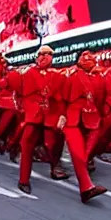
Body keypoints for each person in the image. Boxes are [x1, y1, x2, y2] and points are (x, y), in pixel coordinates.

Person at [18, 45, 69, 194]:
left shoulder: (59, 76)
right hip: (33, 115)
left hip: (51, 114)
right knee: (26, 143)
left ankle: (55, 166)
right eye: (41, 54)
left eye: (48, 54)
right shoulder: (28, 73)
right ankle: (23, 180)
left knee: (52, 142)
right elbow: (22, 95)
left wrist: (62, 115)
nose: (44, 57)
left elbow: (62, 99)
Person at [59, 50, 108, 203]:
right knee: (77, 153)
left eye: (91, 57)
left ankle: (85, 185)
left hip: (92, 116)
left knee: (85, 153)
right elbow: (63, 97)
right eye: (84, 57)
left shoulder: (99, 77)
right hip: (72, 117)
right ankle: (86, 188)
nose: (88, 59)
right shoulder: (71, 75)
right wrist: (62, 115)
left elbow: (100, 98)